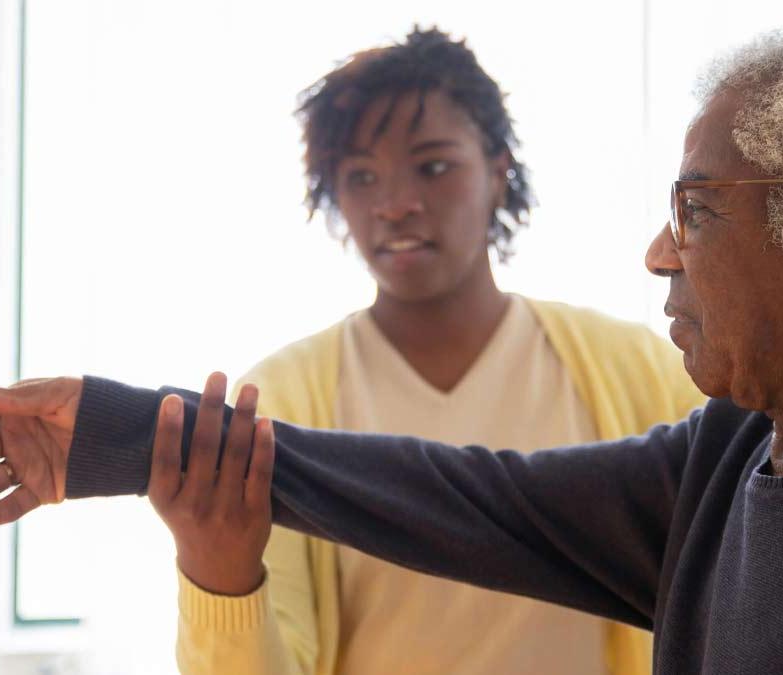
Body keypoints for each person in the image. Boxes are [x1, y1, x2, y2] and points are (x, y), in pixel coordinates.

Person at [0, 13, 783, 674]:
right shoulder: (737, 451)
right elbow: (476, 502)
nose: (660, 251)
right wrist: (125, 438)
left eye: (698, 208)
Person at [166, 27, 701, 675]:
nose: (395, 206)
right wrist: (216, 572)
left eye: (434, 166)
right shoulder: (278, 403)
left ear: (497, 172)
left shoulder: (640, 372)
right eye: (362, 176)